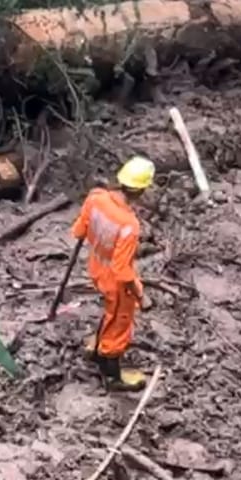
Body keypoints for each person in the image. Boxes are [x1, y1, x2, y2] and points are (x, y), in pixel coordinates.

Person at [70, 156, 154, 392]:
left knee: (110, 312)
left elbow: (79, 230)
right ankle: (112, 374)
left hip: (96, 266)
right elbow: (122, 270)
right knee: (120, 322)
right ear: (142, 190)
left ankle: (98, 348)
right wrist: (138, 293)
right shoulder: (129, 225)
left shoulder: (96, 198)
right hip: (115, 281)